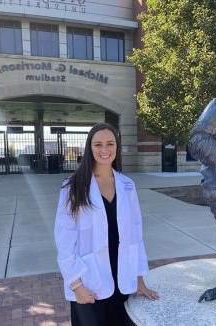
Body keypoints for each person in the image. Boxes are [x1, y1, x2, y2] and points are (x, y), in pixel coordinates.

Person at [54, 123, 159, 326]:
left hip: (122, 276)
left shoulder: (127, 185)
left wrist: (138, 278)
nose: (104, 150)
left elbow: (136, 234)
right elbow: (64, 240)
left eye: (110, 144)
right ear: (89, 148)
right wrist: (76, 285)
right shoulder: (73, 186)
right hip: (89, 280)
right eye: (98, 144)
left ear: (117, 147)